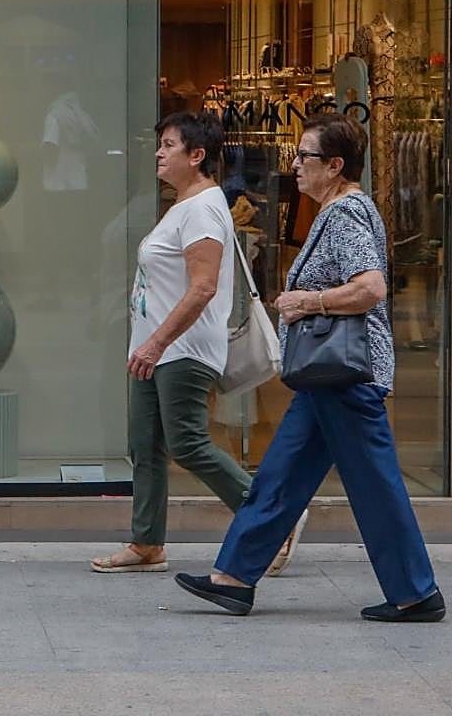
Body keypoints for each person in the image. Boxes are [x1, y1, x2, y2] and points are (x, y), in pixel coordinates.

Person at [175, 113, 445, 622]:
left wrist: (308, 301)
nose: (295, 165)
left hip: (347, 377)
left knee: (374, 484)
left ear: (335, 166)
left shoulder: (345, 214)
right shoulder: (340, 209)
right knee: (281, 475)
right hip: (330, 378)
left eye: (306, 157)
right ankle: (233, 578)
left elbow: (370, 288)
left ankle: (415, 591)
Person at [93, 112, 307, 575]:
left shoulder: (204, 208)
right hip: (156, 346)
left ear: (197, 155)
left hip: (183, 348)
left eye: (169, 145)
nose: (159, 152)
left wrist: (157, 343)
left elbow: (203, 286)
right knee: (146, 443)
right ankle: (147, 541)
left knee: (187, 442)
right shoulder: (184, 204)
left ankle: (273, 519)